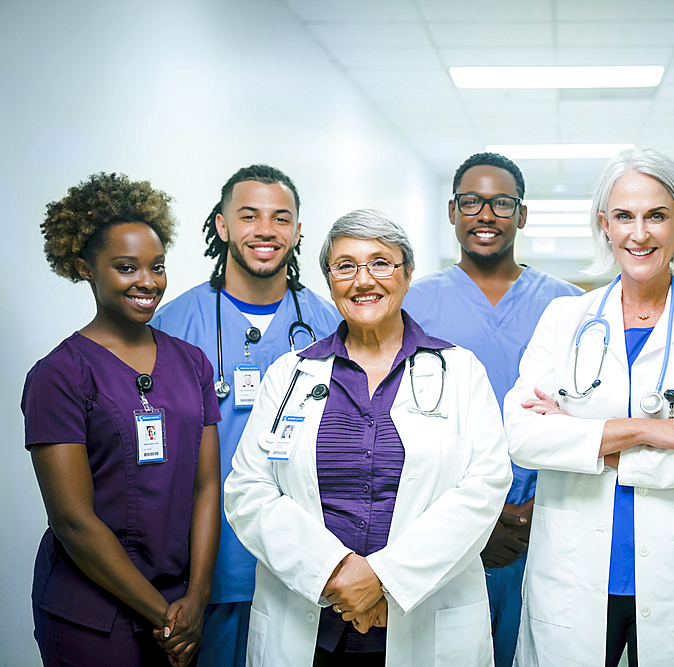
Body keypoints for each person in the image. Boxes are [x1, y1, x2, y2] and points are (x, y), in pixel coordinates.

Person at [504, 148, 674, 666]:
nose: (639, 233)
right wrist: (654, 432)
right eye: (624, 216)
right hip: (575, 574)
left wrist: (581, 440)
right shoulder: (564, 318)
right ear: (605, 224)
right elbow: (523, 436)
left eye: (656, 216)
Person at [224, 209, 512, 667]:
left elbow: (484, 486)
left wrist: (383, 579)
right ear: (330, 280)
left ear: (408, 273)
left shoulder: (461, 371)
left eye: (381, 262)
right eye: (345, 266)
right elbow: (248, 489)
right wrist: (336, 574)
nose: (364, 280)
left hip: (424, 617)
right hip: (312, 621)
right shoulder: (291, 375)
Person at [22, 173, 221, 666]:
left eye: (157, 267)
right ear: (85, 268)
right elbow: (73, 520)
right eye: (126, 268)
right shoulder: (60, 374)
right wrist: (167, 618)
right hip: (92, 616)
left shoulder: (193, 362)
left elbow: (206, 485)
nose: (148, 282)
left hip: (181, 603)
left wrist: (196, 598)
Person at [151, 164, 341, 667]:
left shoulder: (330, 324)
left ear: (298, 232)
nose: (265, 230)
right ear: (221, 225)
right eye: (249, 215)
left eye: (281, 218)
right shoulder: (173, 324)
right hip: (209, 567)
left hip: (304, 557)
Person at [403, 151, 583, 666]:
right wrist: (475, 521)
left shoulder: (569, 306)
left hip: (546, 521)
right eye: (471, 202)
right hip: (446, 529)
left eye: (502, 203)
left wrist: (536, 510)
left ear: (522, 215)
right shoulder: (413, 305)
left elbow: (586, 421)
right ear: (452, 212)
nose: (485, 215)